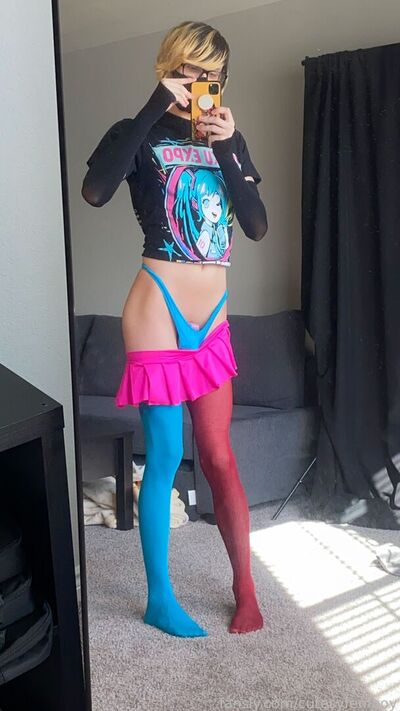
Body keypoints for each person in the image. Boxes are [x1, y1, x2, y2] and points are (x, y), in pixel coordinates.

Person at [82, 20, 268, 638]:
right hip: (156, 307)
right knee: (163, 453)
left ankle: (245, 588)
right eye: (188, 69)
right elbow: (95, 190)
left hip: (211, 319)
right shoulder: (135, 130)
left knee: (218, 454)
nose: (198, 81)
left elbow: (256, 226)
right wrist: (152, 106)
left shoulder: (228, 141)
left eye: (210, 73)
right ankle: (159, 599)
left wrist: (229, 147)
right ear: (168, 66)